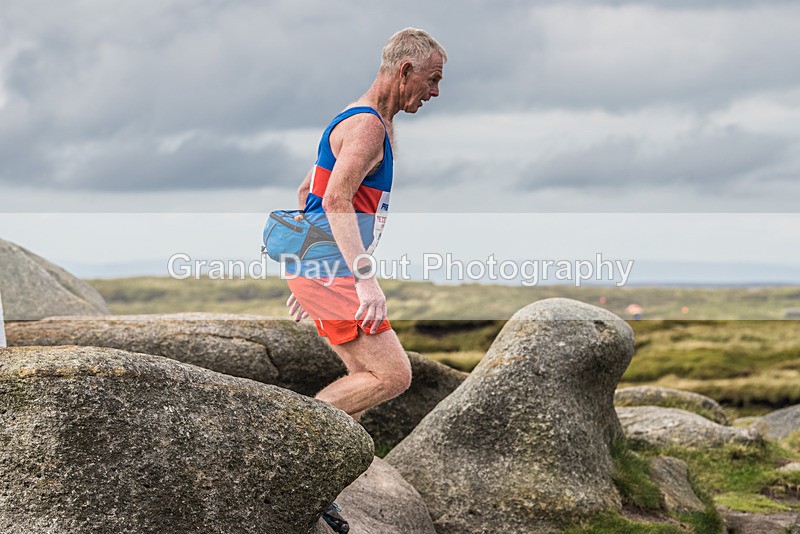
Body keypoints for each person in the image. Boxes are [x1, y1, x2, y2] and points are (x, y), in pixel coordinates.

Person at [282, 27, 446, 532]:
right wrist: (362, 280)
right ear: (405, 71)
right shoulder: (369, 126)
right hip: (334, 270)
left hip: (320, 268)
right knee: (391, 376)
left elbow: (308, 187)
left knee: (362, 381)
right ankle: (288, 462)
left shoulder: (357, 118)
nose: (436, 92)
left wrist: (303, 271)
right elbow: (332, 199)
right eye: (433, 79)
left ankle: (313, 486)